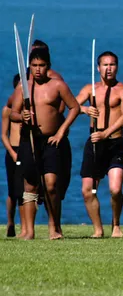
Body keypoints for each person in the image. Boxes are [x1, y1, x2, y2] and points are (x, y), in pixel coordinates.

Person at [10, 48, 80, 240]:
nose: (38, 69)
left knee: (50, 184)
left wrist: (61, 131)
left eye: (41, 65)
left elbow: (75, 107)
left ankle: (54, 226)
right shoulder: (23, 88)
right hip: (30, 140)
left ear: (48, 66)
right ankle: (29, 231)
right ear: (29, 67)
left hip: (51, 140)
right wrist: (21, 116)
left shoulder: (58, 86)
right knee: (30, 186)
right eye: (34, 66)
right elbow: (12, 113)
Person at [76, 51, 123, 238]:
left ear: (117, 67)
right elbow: (71, 106)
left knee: (115, 189)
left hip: (115, 142)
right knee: (87, 190)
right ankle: (98, 229)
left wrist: (106, 133)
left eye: (112, 65)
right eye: (105, 65)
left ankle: (116, 224)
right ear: (98, 67)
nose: (109, 69)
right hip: (94, 142)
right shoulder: (89, 89)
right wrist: (85, 109)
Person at [2, 74, 23, 237]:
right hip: (13, 150)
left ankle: (26, 225)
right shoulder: (8, 109)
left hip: (27, 150)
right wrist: (12, 153)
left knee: (27, 190)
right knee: (13, 192)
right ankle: (10, 221)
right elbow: (3, 135)